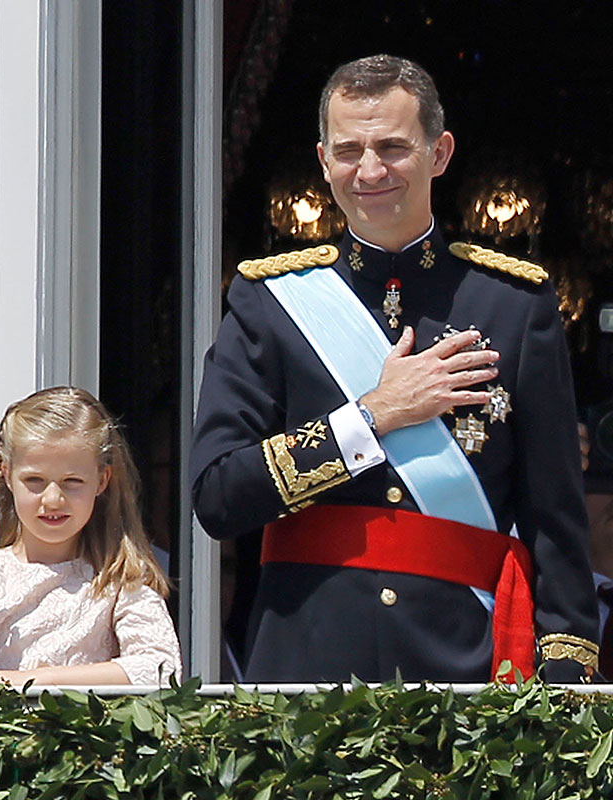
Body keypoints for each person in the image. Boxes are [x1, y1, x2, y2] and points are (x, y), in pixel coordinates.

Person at [191, 55, 600, 683]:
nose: (370, 170)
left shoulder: (514, 305)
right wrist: (372, 417)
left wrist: (565, 686)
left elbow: (556, 522)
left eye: (393, 147)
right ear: (324, 161)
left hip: (466, 671)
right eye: (349, 150)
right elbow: (218, 496)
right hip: (308, 664)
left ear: (439, 153)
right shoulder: (268, 301)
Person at [0, 386, 181, 686]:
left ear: (101, 480)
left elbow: (161, 670)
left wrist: (31, 681)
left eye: (72, 481)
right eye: (35, 480)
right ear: (7, 475)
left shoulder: (118, 575)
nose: (53, 499)